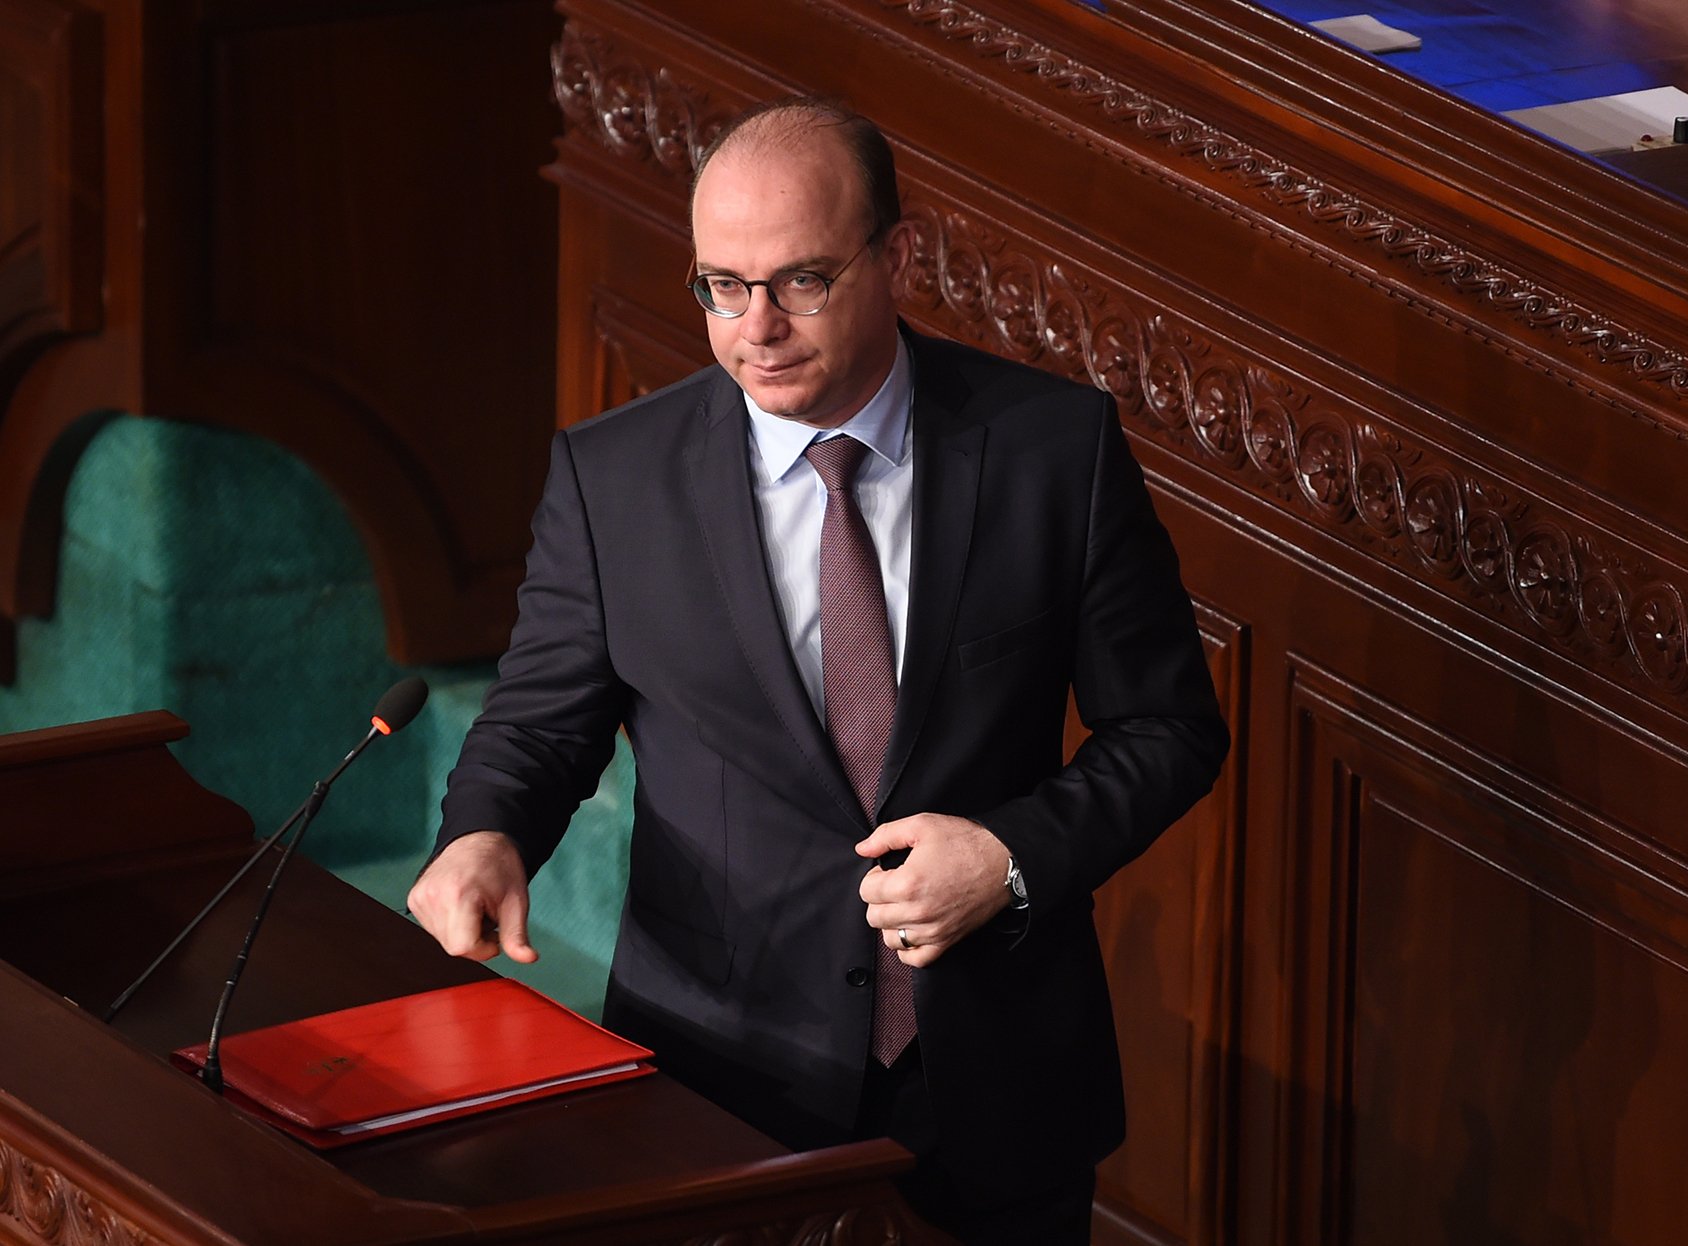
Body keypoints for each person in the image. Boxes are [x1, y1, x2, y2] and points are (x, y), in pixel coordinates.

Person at [408, 95, 1227, 1244]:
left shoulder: (1054, 451)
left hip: (992, 1084)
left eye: (800, 280)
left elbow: (1169, 729)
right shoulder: (615, 480)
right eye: (720, 286)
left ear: (894, 257)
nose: (757, 327)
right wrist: (483, 831)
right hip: (718, 1081)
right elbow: (543, 720)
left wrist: (1009, 857)